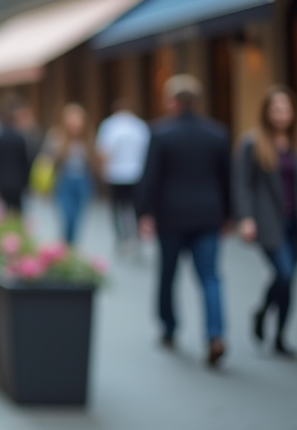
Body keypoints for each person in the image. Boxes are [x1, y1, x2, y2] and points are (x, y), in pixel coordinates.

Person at [136, 75, 231, 366]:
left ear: (172, 102)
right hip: (208, 215)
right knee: (210, 277)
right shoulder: (217, 133)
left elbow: (150, 178)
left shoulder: (161, 133)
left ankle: (169, 327)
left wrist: (144, 214)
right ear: (198, 102)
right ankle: (215, 335)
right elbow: (226, 179)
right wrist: (229, 214)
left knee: (168, 274)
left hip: (171, 215)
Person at [234, 85, 297, 358]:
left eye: (285, 108)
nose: (281, 114)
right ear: (266, 112)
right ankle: (262, 311)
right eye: (275, 109)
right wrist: (246, 218)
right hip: (268, 220)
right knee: (284, 273)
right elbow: (242, 184)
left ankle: (280, 336)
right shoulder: (252, 143)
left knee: (289, 280)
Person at [96, 99, 151, 256]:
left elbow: (105, 151)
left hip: (116, 174)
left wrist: (102, 171)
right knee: (135, 208)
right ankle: (136, 238)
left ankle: (122, 239)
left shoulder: (109, 125)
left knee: (117, 209)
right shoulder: (139, 125)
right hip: (137, 174)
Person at [44, 103, 94, 246]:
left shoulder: (87, 138)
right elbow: (48, 159)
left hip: (83, 180)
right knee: (68, 216)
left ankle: (71, 246)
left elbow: (93, 162)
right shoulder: (57, 135)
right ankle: (65, 246)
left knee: (78, 218)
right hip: (63, 180)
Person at [0, 98, 31, 215]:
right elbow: (25, 163)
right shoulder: (20, 139)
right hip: (17, 182)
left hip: (2, 182)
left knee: (5, 212)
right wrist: (27, 182)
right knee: (17, 211)